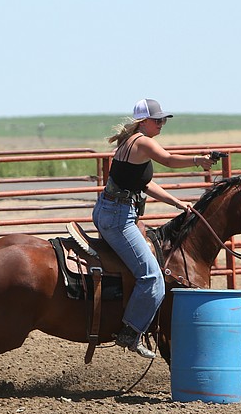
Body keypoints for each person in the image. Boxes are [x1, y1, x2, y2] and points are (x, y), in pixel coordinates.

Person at [92, 98, 216, 359]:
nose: (161, 124)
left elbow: (145, 184)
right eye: (157, 120)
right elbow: (169, 160)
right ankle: (131, 331)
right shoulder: (143, 142)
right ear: (143, 121)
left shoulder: (131, 142)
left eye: (163, 120)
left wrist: (177, 202)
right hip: (119, 217)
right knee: (153, 279)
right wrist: (198, 161)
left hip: (112, 211)